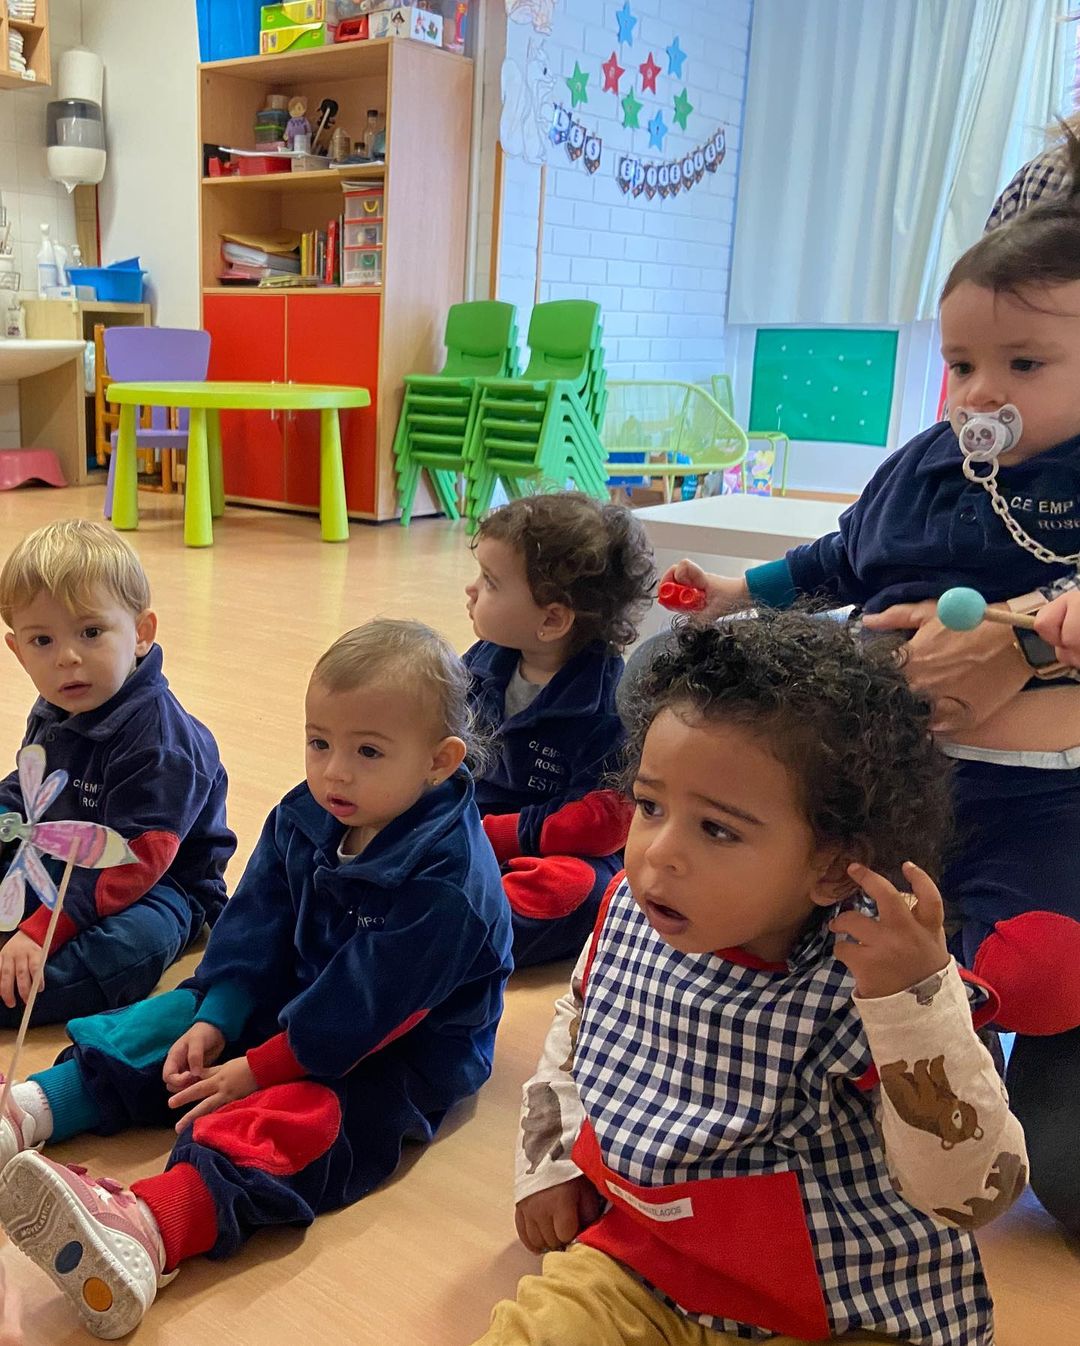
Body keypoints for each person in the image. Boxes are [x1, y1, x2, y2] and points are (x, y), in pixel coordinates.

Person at [659, 131, 1080, 1233]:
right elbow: (839, 559)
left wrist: (1038, 634)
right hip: (911, 771)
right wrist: (734, 590)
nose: (982, 392)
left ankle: (964, 1007)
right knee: (687, 700)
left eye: (1024, 367)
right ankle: (852, 1016)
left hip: (1044, 793)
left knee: (1039, 965)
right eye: (963, 363)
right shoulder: (928, 463)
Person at [475, 615, 1026, 1346]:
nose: (658, 854)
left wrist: (914, 1008)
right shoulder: (632, 912)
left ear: (832, 867)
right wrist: (550, 1161)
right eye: (650, 806)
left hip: (842, 1303)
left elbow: (974, 1194)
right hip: (647, 1261)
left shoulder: (879, 971)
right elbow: (581, 1029)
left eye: (717, 829)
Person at [0, 619, 513, 1340]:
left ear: (439, 761)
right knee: (176, 1018)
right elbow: (256, 920)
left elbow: (367, 1010)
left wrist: (258, 1069)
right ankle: (35, 1107)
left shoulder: (448, 883)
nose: (334, 772)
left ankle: (150, 1228)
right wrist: (222, 1013)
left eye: (367, 751)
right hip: (299, 995)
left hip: (394, 1053)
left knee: (306, 1116)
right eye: (319, 742)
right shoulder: (307, 814)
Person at [0, 520, 234, 1026]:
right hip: (65, 855)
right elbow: (30, 789)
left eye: (91, 632)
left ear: (141, 633)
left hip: (157, 884)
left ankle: (18, 988)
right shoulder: (55, 707)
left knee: (129, 946)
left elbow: (134, 859)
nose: (67, 658)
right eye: (42, 640)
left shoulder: (160, 741)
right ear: (17, 650)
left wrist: (40, 931)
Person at [464, 493, 654, 966]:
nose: (472, 590)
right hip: (468, 825)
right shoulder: (483, 660)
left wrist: (499, 835)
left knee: (582, 888)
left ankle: (457, 928)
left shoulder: (608, 704)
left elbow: (605, 820)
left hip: (548, 846)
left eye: (489, 582)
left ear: (551, 619)